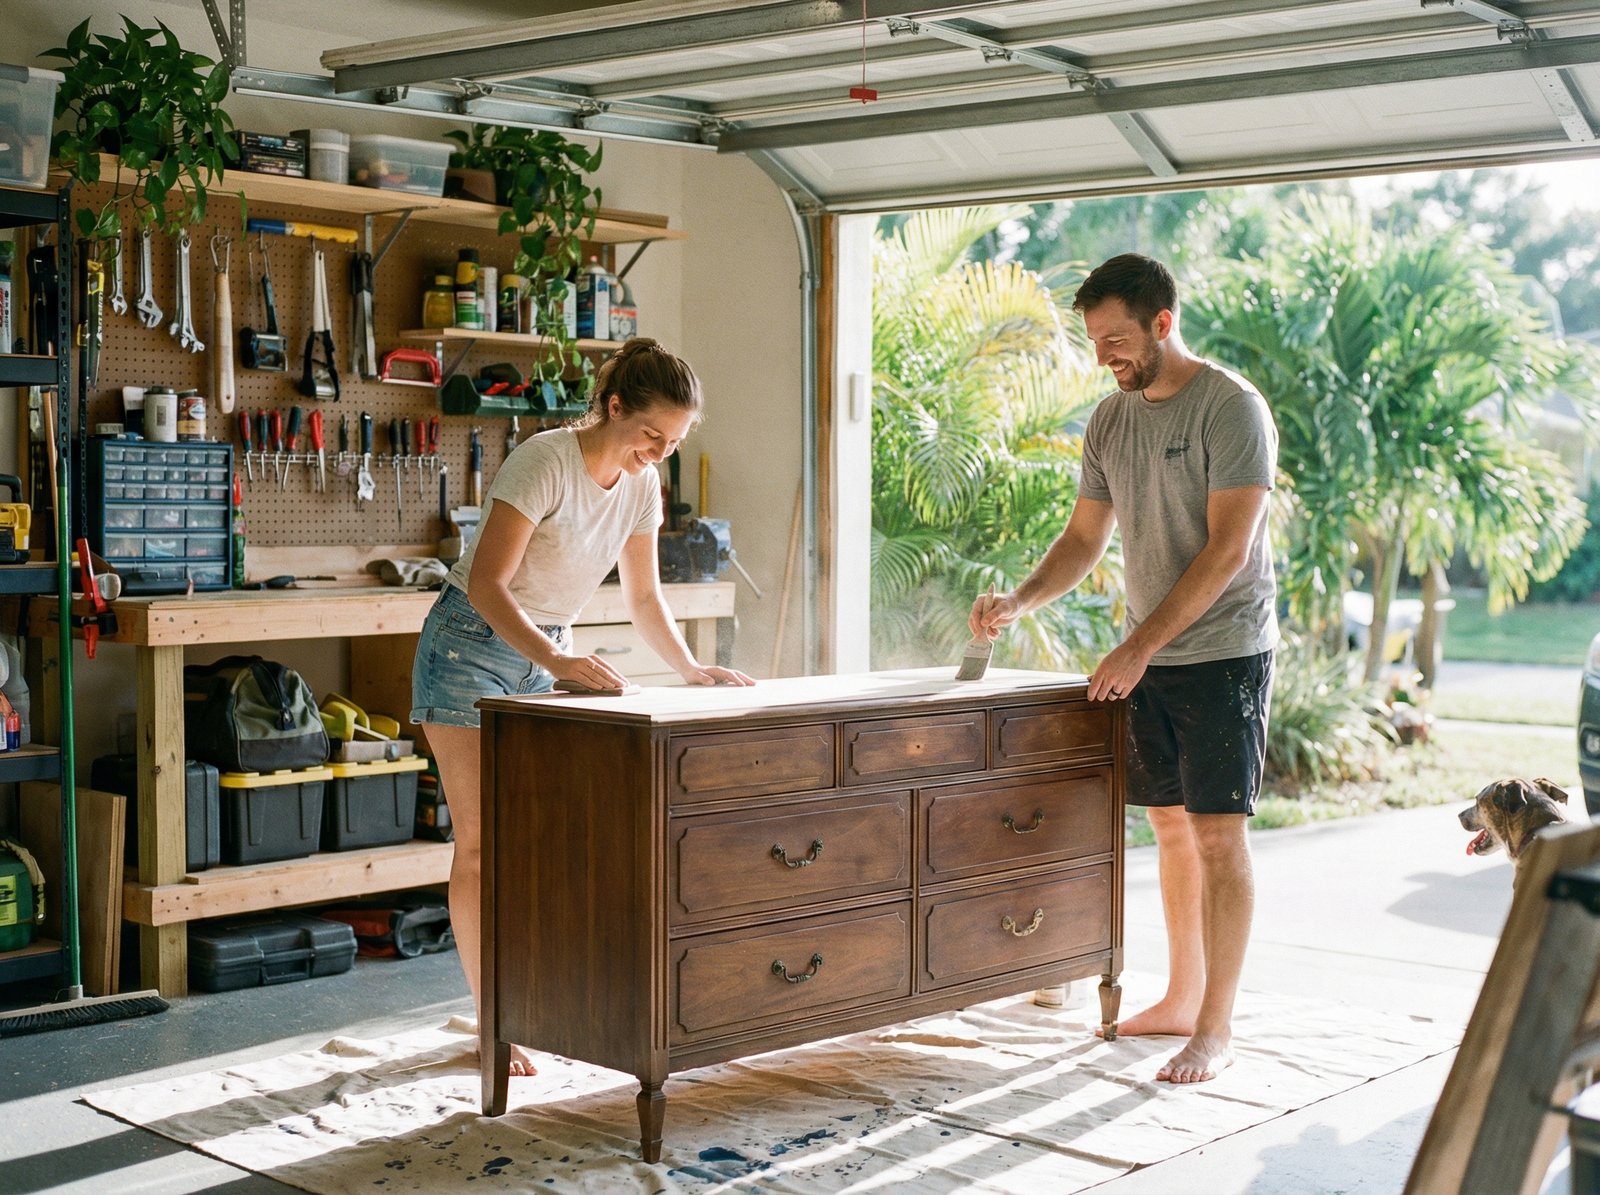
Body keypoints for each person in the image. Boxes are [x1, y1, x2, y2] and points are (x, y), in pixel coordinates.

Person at [970, 254, 1278, 1085]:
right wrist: (1021, 600)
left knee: (1218, 835)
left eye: (1116, 338)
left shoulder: (1231, 407)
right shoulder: (1110, 421)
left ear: (1162, 324)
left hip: (1224, 652)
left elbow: (1228, 550)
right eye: (1094, 340)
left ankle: (1216, 1028)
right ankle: (1182, 996)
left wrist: (1138, 644)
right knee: (1169, 825)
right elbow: (1082, 539)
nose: (1104, 354)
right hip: (1154, 653)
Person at [411, 337, 754, 1077]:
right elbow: (489, 585)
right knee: (479, 844)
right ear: (615, 405)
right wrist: (559, 659)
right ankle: (492, 1022)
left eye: (675, 443)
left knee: (539, 846)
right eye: (650, 435)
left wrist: (691, 666)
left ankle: (538, 1001)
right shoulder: (544, 461)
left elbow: (642, 597)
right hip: (471, 644)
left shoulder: (641, 487)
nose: (657, 453)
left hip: (545, 652)